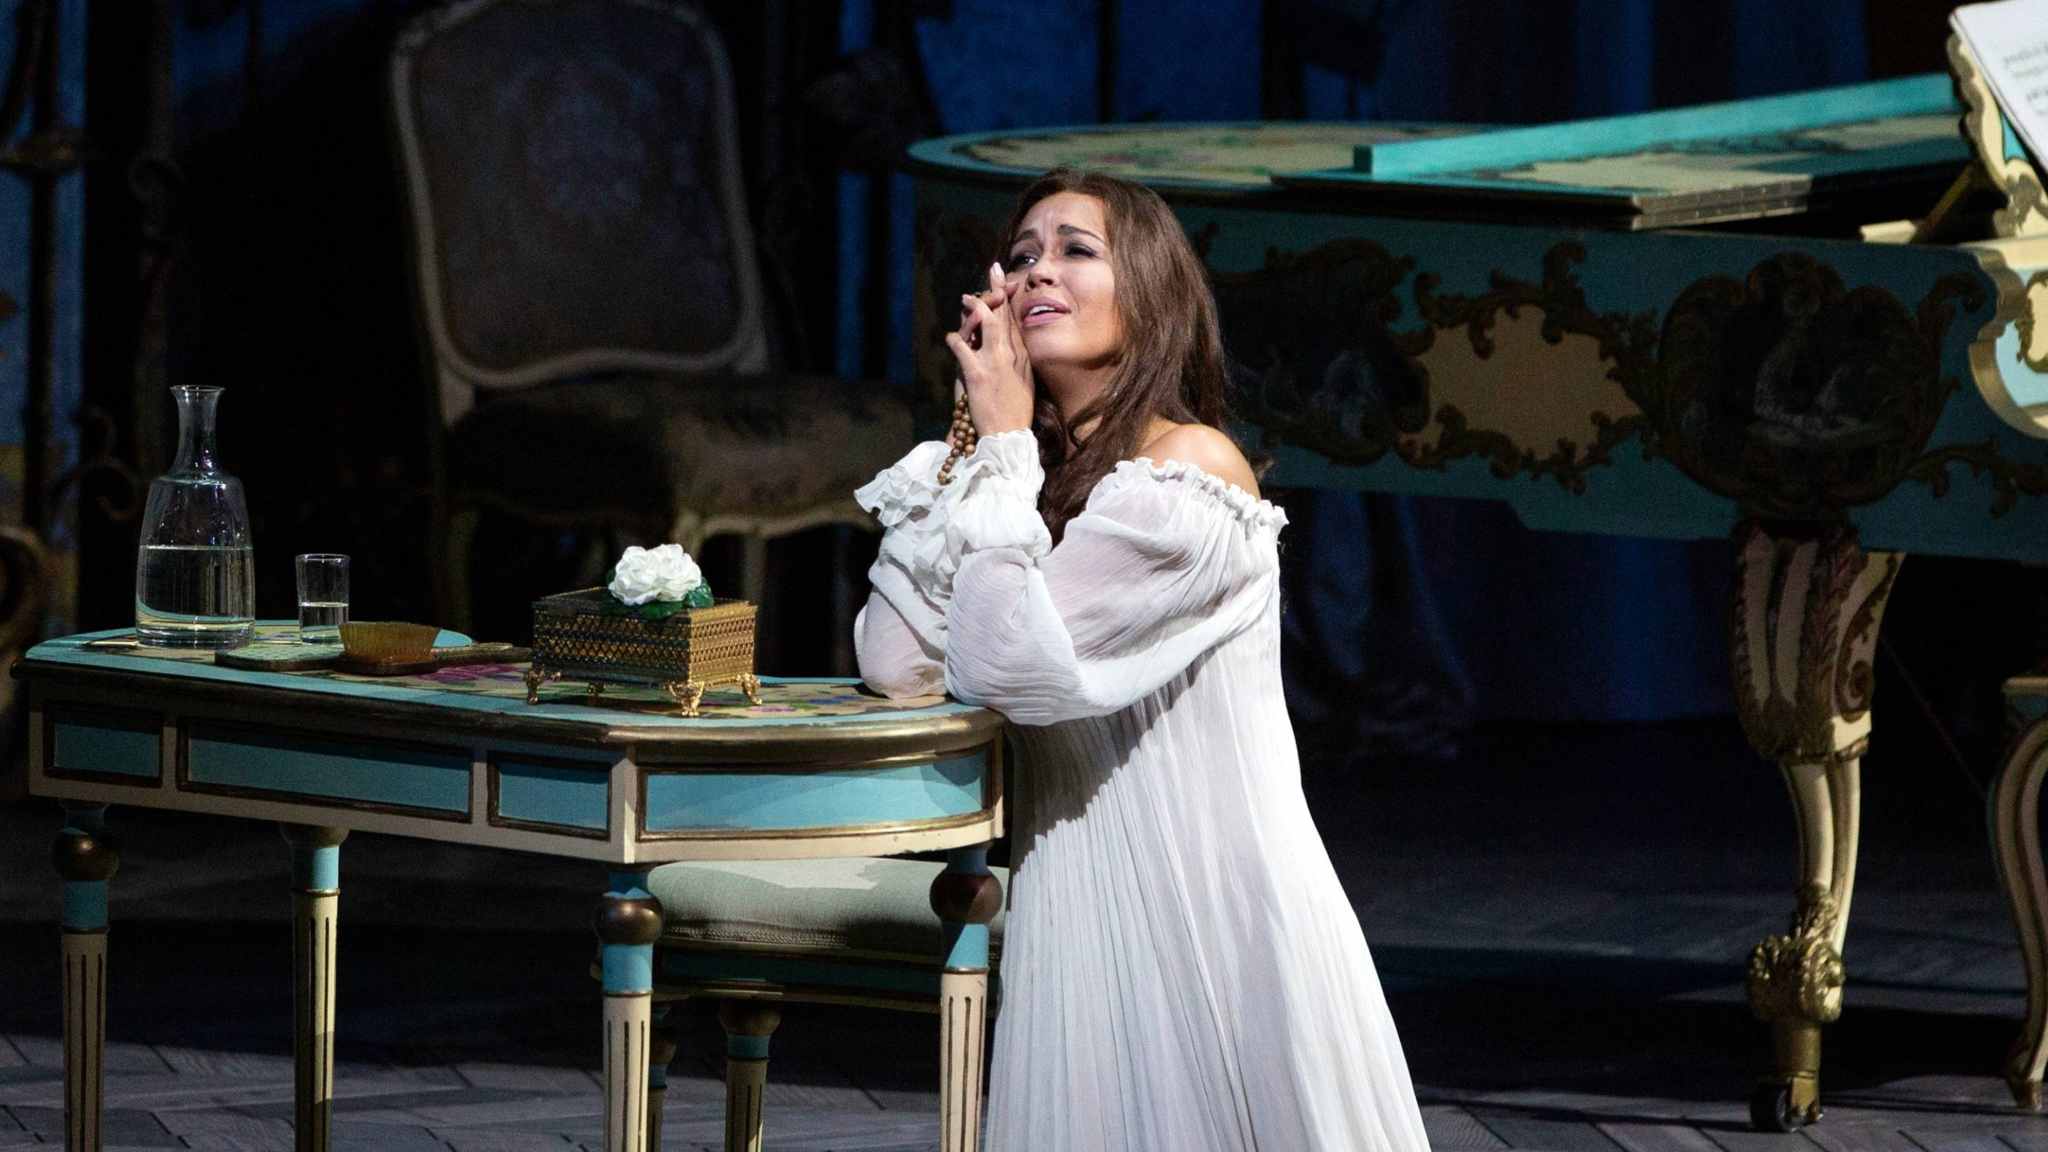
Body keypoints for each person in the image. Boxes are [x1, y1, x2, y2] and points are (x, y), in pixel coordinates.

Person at [852, 167, 1427, 1151]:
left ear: (1151, 294)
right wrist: (974, 449)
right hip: (1083, 905)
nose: (1038, 271)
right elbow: (897, 662)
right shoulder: (1024, 490)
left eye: (1076, 250)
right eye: (1021, 255)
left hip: (1203, 907)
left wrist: (999, 450)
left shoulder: (1188, 473)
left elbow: (1006, 671)